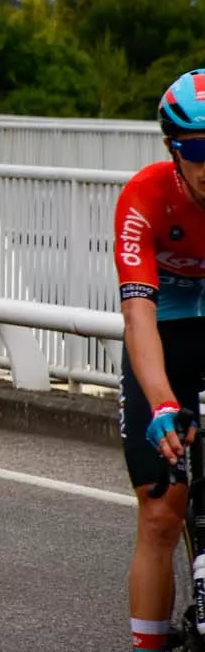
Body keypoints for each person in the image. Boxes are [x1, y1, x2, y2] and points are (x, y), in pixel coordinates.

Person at [115, 69, 205, 652]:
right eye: (200, 149)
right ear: (174, 149)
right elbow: (138, 317)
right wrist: (164, 403)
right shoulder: (144, 196)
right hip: (166, 330)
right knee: (161, 512)